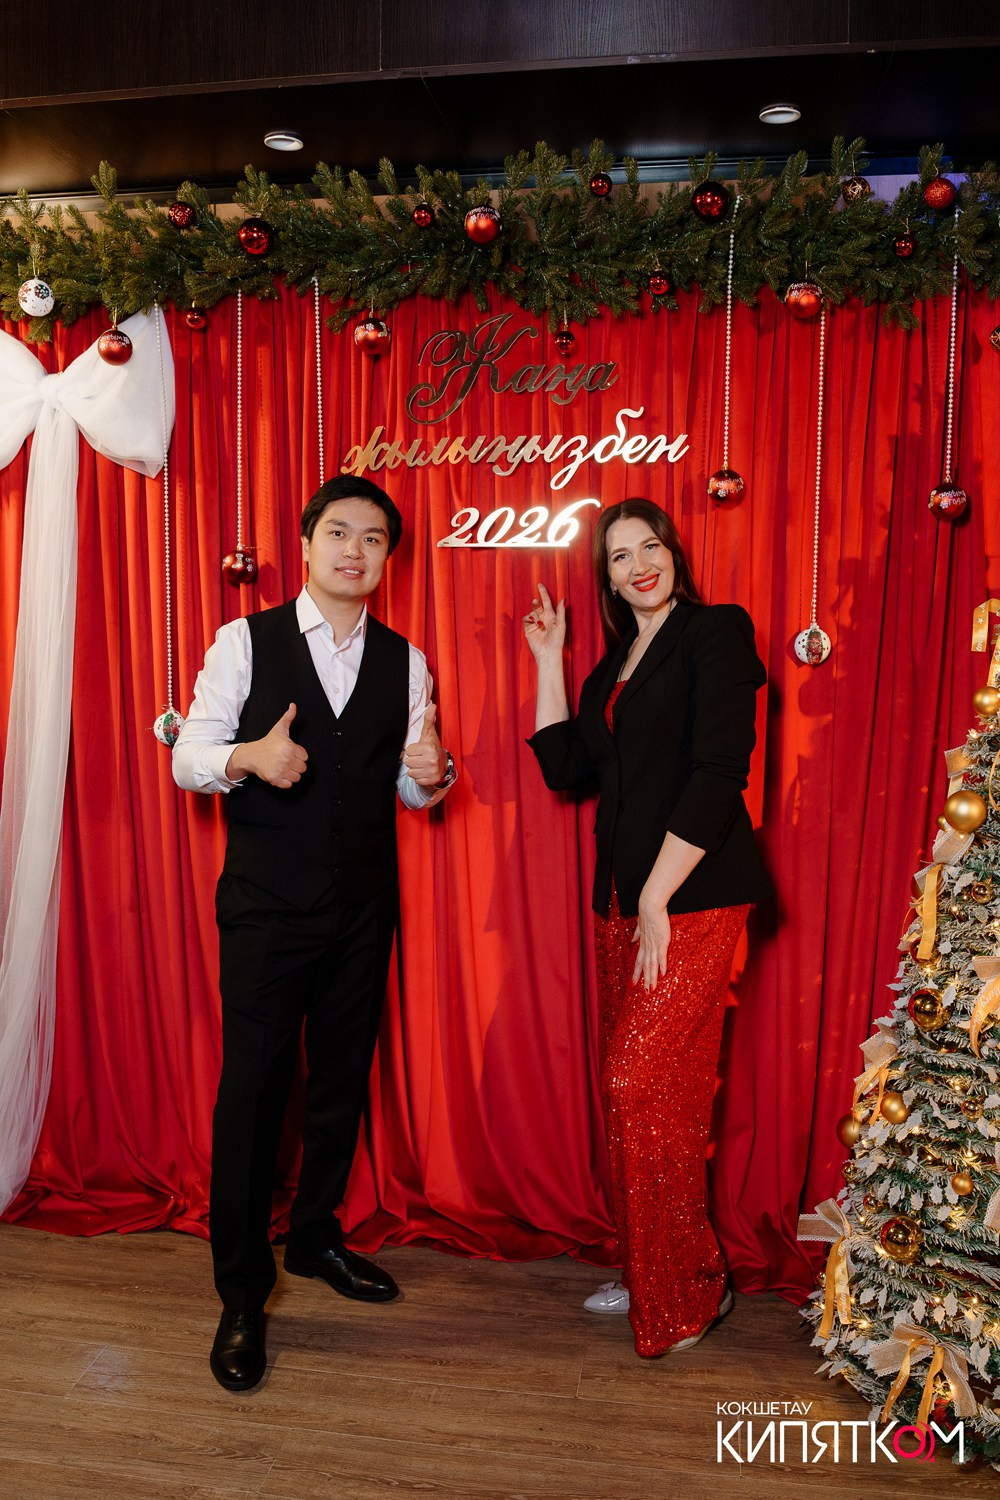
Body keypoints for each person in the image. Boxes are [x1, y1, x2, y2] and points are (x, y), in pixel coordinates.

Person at [173, 475, 457, 1392]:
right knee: (254, 1093)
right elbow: (187, 756)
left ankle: (315, 1237)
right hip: (266, 906)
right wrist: (248, 757)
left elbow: (409, 788)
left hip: (363, 908)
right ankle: (241, 1294)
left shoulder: (407, 661)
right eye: (339, 532)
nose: (354, 551)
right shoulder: (243, 641)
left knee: (339, 1083)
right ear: (305, 544)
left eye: (373, 539)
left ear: (387, 557)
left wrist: (434, 773)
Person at [523, 498, 770, 1358]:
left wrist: (660, 895)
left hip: (690, 896)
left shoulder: (715, 631)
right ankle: (654, 1269)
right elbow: (565, 768)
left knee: (643, 1085)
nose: (639, 564)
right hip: (620, 905)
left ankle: (690, 1286)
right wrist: (549, 660)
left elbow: (720, 771)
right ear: (608, 578)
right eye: (620, 555)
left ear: (673, 553)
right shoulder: (614, 666)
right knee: (637, 1099)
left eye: (650, 546)